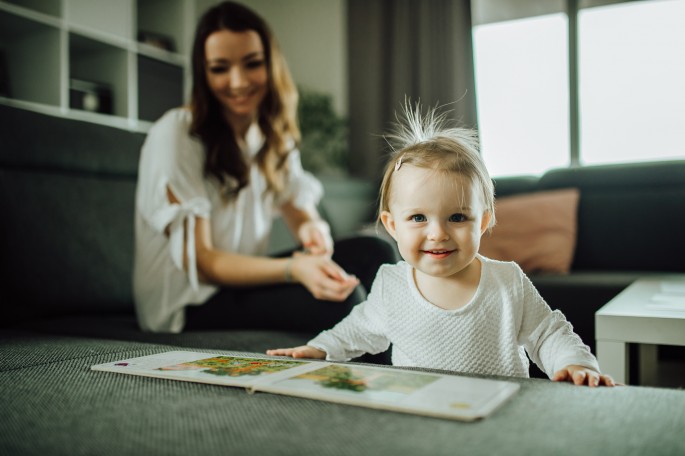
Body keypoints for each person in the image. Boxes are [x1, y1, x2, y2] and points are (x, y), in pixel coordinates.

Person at [267, 102, 616, 387]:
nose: (437, 234)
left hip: (501, 415)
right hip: (420, 416)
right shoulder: (392, 285)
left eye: (457, 218)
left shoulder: (507, 281)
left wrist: (573, 363)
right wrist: (319, 349)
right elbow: (358, 331)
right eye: (418, 218)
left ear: (483, 221)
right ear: (392, 226)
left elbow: (547, 333)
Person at [133, 1, 396, 334]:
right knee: (341, 301)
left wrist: (312, 230)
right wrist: (294, 268)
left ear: (271, 65)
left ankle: (413, 361)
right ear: (203, 73)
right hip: (188, 302)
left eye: (252, 64)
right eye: (220, 68)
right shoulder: (177, 132)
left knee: (375, 252)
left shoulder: (271, 136)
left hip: (240, 284)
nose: (238, 81)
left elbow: (296, 206)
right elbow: (205, 263)